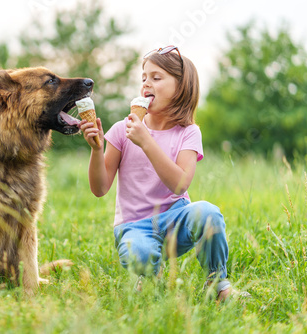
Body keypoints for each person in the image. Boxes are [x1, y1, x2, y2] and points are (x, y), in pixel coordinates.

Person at [80, 46, 237, 301]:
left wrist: (147, 142)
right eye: (143, 78)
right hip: (134, 227)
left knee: (208, 213)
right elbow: (100, 189)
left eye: (156, 77)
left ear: (181, 87)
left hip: (176, 218)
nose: (146, 84)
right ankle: (150, 276)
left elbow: (179, 185)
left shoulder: (188, 132)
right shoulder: (122, 130)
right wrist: (97, 150)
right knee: (140, 252)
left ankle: (217, 283)